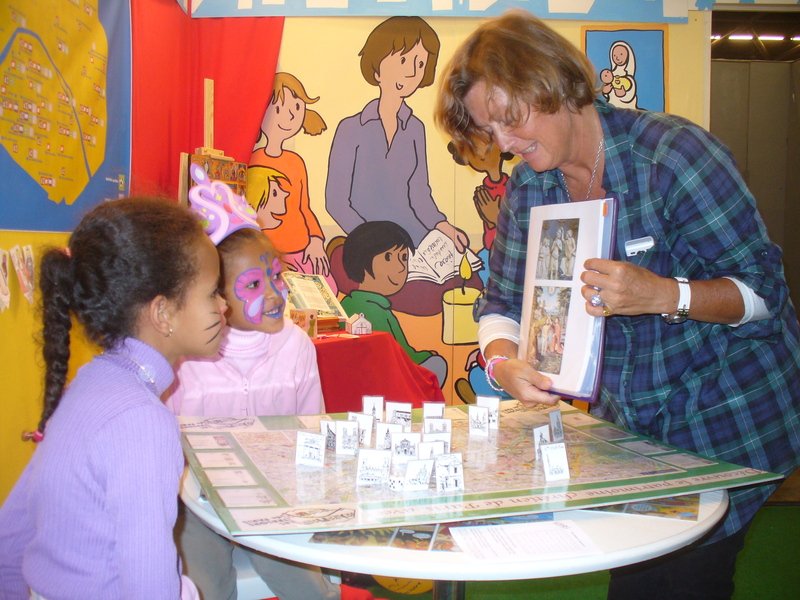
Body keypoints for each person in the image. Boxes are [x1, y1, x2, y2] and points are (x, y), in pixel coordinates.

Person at [435, 10, 800, 600]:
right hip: (631, 431)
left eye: (511, 120)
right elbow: (499, 299)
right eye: (490, 129)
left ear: (554, 85)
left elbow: (764, 293)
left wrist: (664, 294)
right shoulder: (532, 186)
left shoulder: (672, 156)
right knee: (639, 570)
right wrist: (503, 361)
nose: (503, 145)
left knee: (673, 577)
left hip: (727, 414)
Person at [167, 166, 378, 600]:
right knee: (206, 589)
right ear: (216, 294)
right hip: (197, 506)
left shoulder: (296, 346)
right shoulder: (184, 357)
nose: (276, 293)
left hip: (276, 502)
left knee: (307, 589)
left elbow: (313, 430)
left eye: (277, 277)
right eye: (254, 284)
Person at [0, 197, 225, 598]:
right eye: (212, 293)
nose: (224, 306)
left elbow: (12, 532)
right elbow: (150, 589)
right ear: (163, 313)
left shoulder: (91, 382)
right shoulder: (141, 420)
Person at [339, 220, 448, 387]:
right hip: (385, 376)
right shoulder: (374, 310)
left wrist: (422, 355)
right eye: (388, 257)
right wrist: (424, 357)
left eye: (403, 258)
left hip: (370, 376)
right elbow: (399, 354)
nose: (400, 267)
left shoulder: (349, 302)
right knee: (437, 364)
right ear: (361, 260)